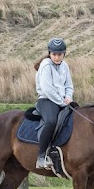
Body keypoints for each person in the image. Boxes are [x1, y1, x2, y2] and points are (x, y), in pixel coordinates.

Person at [34, 37, 74, 170]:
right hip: (46, 100)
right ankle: (40, 156)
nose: (57, 57)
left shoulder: (65, 66)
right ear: (49, 53)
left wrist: (68, 97)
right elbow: (47, 89)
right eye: (54, 54)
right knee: (51, 121)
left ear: (64, 54)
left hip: (62, 100)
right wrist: (62, 102)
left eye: (60, 54)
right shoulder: (45, 65)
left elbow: (69, 85)